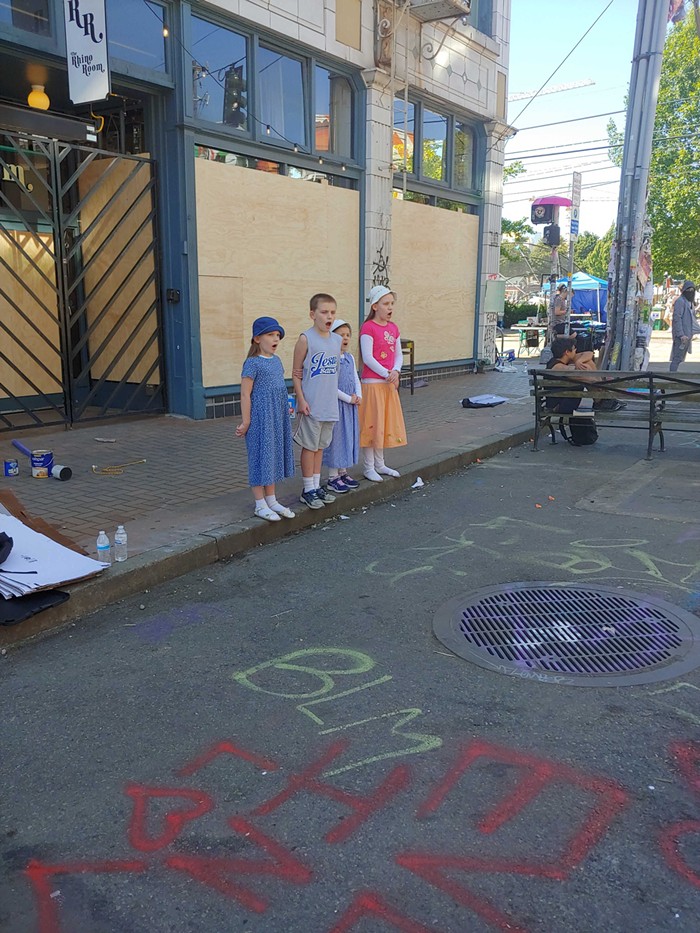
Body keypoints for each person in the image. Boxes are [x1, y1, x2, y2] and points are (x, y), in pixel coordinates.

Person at [236, 317, 296, 522]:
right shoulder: (252, 363)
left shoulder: (277, 361)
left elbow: (280, 390)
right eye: (271, 334)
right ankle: (259, 504)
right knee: (260, 457)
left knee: (272, 456)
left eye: (278, 335)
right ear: (257, 338)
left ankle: (271, 499)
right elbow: (245, 394)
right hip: (260, 419)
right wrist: (246, 421)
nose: (275, 338)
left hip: (277, 417)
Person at [292, 293, 342, 509]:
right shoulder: (305, 339)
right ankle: (307, 489)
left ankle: (315, 485)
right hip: (311, 404)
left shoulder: (337, 340)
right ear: (313, 314)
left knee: (320, 447)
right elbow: (296, 373)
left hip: (329, 404)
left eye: (332, 312)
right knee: (309, 446)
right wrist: (301, 400)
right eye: (324, 312)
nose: (328, 316)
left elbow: (335, 374)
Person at [359, 285, 407, 482]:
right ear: (375, 306)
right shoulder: (368, 327)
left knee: (383, 424)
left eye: (391, 304)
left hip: (388, 384)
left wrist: (396, 371)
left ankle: (380, 464)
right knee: (372, 424)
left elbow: (398, 354)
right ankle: (368, 466)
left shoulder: (393, 328)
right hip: (373, 383)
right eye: (386, 304)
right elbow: (368, 357)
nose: (390, 308)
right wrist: (387, 373)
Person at [322, 319, 362, 493]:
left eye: (347, 335)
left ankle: (343, 471)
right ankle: (333, 477)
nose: (345, 338)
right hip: (337, 405)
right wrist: (348, 398)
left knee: (348, 437)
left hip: (350, 406)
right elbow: (330, 386)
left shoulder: (350, 358)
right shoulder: (331, 359)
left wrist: (359, 395)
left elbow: (355, 378)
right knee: (336, 439)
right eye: (341, 335)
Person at [546, 335, 625, 412]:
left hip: (567, 396)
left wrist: (579, 361)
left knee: (586, 362)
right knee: (585, 367)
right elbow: (578, 375)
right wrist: (598, 383)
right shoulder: (557, 367)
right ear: (567, 352)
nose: (576, 350)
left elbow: (589, 353)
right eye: (574, 349)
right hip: (560, 404)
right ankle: (600, 400)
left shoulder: (563, 360)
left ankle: (601, 399)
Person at [670, 280, 700, 372]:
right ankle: (671, 377)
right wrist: (681, 334)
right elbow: (677, 319)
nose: (690, 292)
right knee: (677, 358)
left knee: (680, 358)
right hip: (682, 336)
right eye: (688, 289)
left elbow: (692, 320)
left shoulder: (689, 302)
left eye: (692, 290)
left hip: (688, 334)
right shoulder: (680, 301)